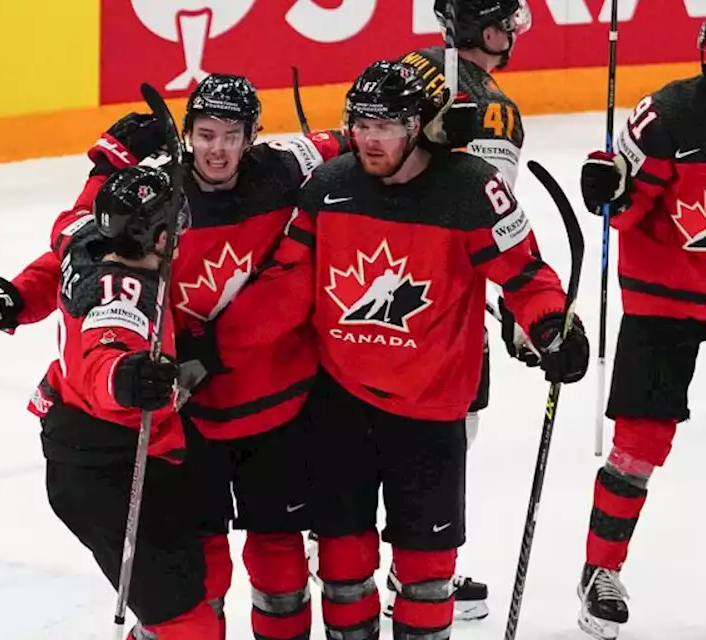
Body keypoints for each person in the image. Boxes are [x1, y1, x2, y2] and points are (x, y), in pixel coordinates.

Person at [0, 74, 351, 640]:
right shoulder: (154, 198)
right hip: (185, 411)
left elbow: (358, 138)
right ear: (186, 135)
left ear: (254, 136)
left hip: (273, 402)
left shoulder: (285, 168)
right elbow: (88, 258)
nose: (217, 149)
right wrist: (12, 299)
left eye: (231, 136)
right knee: (200, 568)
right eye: (205, 134)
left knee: (279, 557)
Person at [227, 60, 587, 639]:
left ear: (423, 125)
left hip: (430, 412)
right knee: (343, 565)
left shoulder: (471, 190)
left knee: (425, 575)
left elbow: (526, 276)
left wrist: (551, 328)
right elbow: (287, 285)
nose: (369, 139)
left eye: (387, 125)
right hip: (339, 404)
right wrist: (214, 343)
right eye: (362, 124)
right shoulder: (329, 187)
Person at [381, 0, 537, 619]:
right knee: (445, 435)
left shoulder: (399, 68)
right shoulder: (497, 108)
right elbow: (485, 212)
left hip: (370, 272)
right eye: (509, 21)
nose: (515, 33)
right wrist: (525, 305)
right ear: (488, 28)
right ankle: (417, 569)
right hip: (442, 297)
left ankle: (355, 558)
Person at [35, 164, 219, 638]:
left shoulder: (84, 240)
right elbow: (106, 352)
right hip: (108, 471)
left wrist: (108, 157)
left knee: (191, 590)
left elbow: (72, 218)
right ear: (157, 238)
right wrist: (125, 379)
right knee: (187, 624)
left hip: (94, 453)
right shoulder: (126, 291)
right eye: (173, 223)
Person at [573, 23, 706, 640]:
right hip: (667, 301)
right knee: (639, 444)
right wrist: (607, 189)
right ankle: (600, 570)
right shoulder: (668, 116)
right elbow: (624, 210)